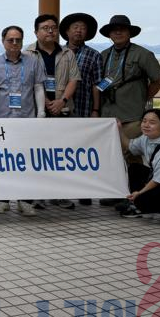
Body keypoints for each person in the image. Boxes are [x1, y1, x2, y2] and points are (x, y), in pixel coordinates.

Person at [97, 15, 160, 207]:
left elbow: (158, 79)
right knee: (113, 156)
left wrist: (143, 98)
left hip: (132, 115)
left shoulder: (143, 54)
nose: (118, 32)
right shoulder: (104, 55)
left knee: (132, 155)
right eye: (114, 29)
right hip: (108, 115)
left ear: (129, 32)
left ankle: (135, 195)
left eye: (122, 29)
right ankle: (117, 193)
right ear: (109, 34)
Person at [0, 25, 46, 217]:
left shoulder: (33, 62)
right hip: (2, 120)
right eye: (10, 40)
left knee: (26, 162)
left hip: (27, 120)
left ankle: (25, 201)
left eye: (18, 40)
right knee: (3, 161)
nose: (14, 43)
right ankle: (2, 200)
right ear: (3, 41)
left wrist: (41, 113)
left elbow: (38, 87)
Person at [25, 14, 81, 210]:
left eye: (53, 28)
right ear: (36, 32)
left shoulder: (68, 53)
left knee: (61, 154)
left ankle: (61, 194)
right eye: (45, 28)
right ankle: (38, 195)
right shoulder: (27, 54)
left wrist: (62, 100)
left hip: (63, 110)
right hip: (37, 111)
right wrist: (46, 102)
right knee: (38, 155)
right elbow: (27, 82)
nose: (50, 31)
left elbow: (74, 79)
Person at [60, 12, 103, 206]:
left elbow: (97, 85)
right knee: (62, 150)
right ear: (67, 31)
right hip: (61, 110)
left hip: (84, 108)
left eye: (83, 28)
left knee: (84, 151)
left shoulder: (94, 55)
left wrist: (95, 110)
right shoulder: (58, 53)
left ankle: (84, 191)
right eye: (75, 27)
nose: (79, 31)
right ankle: (61, 191)